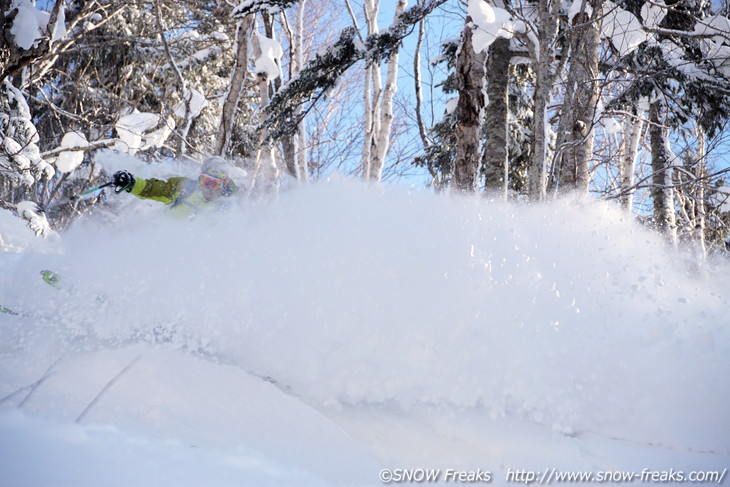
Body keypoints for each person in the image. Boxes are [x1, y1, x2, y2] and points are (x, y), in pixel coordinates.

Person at [112, 159, 238, 218]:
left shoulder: (231, 206)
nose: (209, 188)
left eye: (215, 184)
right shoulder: (185, 188)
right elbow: (155, 189)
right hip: (168, 245)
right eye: (205, 181)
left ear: (224, 186)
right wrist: (132, 183)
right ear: (199, 179)